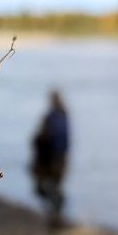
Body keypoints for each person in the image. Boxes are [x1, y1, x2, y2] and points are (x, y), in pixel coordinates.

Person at [32, 90, 69, 228]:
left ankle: (55, 216)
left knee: (47, 188)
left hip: (51, 161)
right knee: (51, 188)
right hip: (56, 159)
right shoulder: (62, 116)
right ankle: (55, 215)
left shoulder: (55, 117)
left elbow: (49, 140)